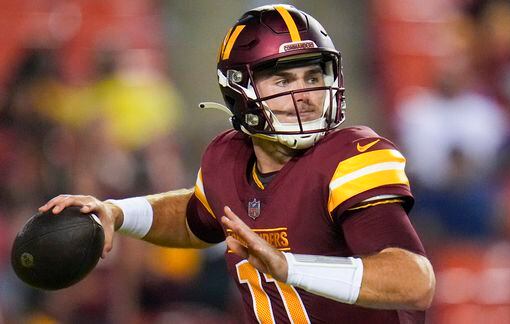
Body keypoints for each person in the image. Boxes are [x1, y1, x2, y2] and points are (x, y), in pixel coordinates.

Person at [39, 4, 435, 323]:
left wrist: (288, 267)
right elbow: (198, 215)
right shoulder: (227, 157)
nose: (305, 94)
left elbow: (415, 282)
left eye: (313, 76)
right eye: (283, 82)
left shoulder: (350, 156)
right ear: (239, 90)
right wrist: (117, 212)